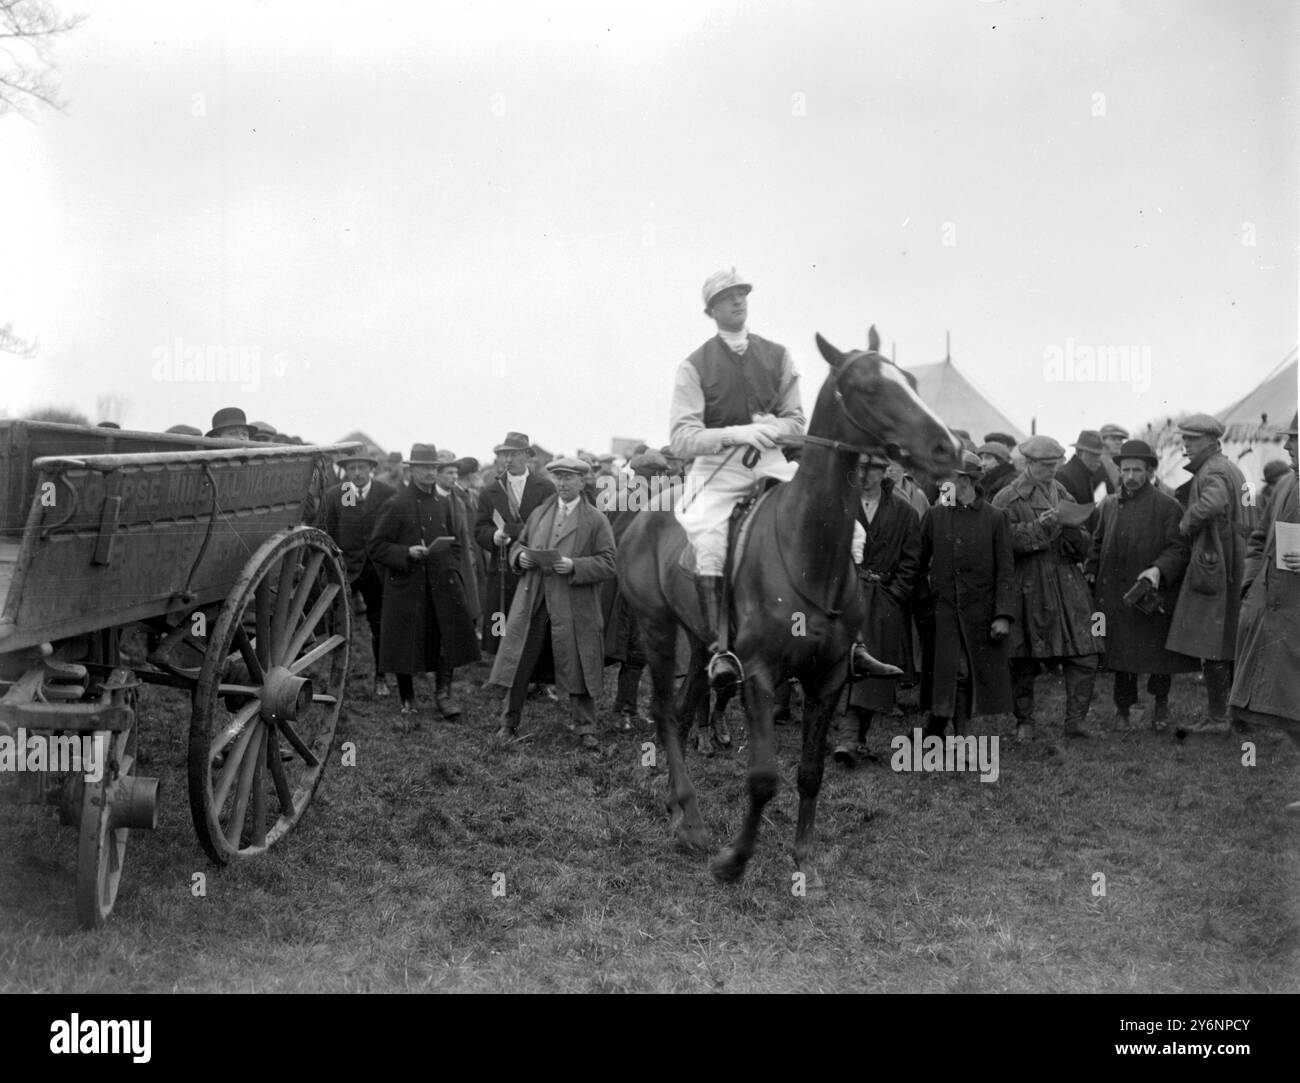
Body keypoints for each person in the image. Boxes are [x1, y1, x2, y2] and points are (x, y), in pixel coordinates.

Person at [670, 267, 888, 685]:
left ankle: (853, 641)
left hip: (772, 462)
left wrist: (777, 428)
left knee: (853, 533)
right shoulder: (693, 366)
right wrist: (735, 432)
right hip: (719, 471)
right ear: (711, 310)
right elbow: (681, 438)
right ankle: (722, 650)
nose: (737, 301)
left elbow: (797, 419)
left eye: (742, 294)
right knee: (711, 540)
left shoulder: (779, 355)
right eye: (727, 297)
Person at [488, 457, 618, 750]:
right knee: (519, 658)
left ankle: (585, 728)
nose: (562, 483)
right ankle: (508, 722)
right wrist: (519, 557)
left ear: (583, 481)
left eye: (569, 477)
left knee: (580, 661)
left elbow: (609, 563)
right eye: (558, 477)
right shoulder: (540, 513)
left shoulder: (596, 519)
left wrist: (574, 565)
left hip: (574, 604)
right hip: (534, 600)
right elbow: (519, 545)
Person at [992, 435, 1103, 740]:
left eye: (1055, 465)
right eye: (1046, 466)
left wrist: (1074, 533)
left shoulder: (1061, 490)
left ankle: (1076, 721)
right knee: (1024, 656)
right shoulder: (1007, 498)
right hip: (1029, 583)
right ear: (1028, 464)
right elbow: (1001, 543)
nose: (1053, 471)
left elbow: (1082, 539)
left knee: (1085, 651)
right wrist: (1042, 526)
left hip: (1068, 581)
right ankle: (1024, 720)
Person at [1084, 440, 1195, 730]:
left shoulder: (1168, 506)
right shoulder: (1108, 504)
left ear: (1149, 471)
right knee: (1121, 654)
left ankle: (1161, 706)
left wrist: (1158, 569)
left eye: (1137, 470)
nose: (1131, 476)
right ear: (1119, 471)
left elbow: (1179, 549)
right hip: (1117, 595)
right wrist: (1091, 572)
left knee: (1160, 656)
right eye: (1126, 470)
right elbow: (1097, 544)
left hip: (1152, 593)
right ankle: (1122, 710)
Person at [367, 444, 481, 726]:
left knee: (445, 638)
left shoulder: (444, 504)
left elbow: (455, 542)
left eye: (434, 468)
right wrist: (406, 552)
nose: (430, 473)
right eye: (424, 468)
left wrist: (452, 567)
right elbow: (377, 547)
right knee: (404, 642)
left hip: (442, 582)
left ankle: (444, 695)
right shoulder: (396, 504)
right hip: (408, 584)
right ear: (411, 470)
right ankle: (407, 700)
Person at [916, 452, 1016, 738]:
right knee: (953, 674)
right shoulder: (935, 516)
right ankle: (949, 732)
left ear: (966, 480)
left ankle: (953, 733)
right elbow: (918, 563)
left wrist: (1003, 615)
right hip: (943, 613)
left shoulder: (995, 518)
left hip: (980, 615)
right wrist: (926, 602)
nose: (941, 483)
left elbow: (1005, 571)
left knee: (965, 674)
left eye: (947, 477)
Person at [1229, 413, 1300, 809]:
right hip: (1275, 615)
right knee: (1285, 709)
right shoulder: (1288, 483)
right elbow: (1258, 538)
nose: (1288, 446)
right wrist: (1250, 584)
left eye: (1295, 440)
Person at [833, 452, 921, 765]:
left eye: (874, 469)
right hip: (844, 593)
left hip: (883, 597)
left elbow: (912, 561)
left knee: (874, 664)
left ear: (885, 472)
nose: (867, 475)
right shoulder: (840, 504)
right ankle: (848, 735)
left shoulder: (904, 512)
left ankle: (854, 736)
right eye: (861, 468)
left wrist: (895, 593)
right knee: (840, 663)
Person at [1164, 414, 1247, 734]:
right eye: (1184, 439)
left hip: (1215, 562)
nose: (1186, 445)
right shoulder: (1229, 467)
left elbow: (1213, 502)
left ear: (1212, 442)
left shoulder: (1211, 469)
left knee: (1211, 640)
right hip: (1232, 562)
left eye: (1192, 440)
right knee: (1230, 640)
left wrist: (1186, 522)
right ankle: (1237, 715)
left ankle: (1217, 718)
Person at [318, 452, 397, 697]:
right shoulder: (335, 495)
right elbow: (325, 530)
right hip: (346, 569)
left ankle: (381, 676)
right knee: (342, 624)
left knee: (379, 624)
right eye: (352, 469)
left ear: (371, 469)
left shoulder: (387, 493)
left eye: (362, 467)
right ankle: (340, 676)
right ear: (346, 471)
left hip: (377, 570)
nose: (358, 473)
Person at [474, 432, 556, 656]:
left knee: (536, 622)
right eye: (504, 455)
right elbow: (479, 528)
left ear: (527, 456)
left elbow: (552, 526)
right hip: (503, 570)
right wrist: (493, 536)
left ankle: (538, 681)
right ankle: (502, 675)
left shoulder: (546, 488)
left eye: (514, 454)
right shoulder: (490, 491)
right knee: (502, 622)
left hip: (534, 566)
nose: (508, 460)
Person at [1056, 429, 1111, 514]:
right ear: (1079, 453)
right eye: (1094, 455)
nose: (1099, 461)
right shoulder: (1064, 476)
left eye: (1099, 455)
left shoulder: (1086, 474)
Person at [1098, 423, 1128, 492]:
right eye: (1113, 439)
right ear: (1102, 441)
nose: (1118, 442)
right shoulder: (1095, 463)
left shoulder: (1122, 464)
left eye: (1120, 440)